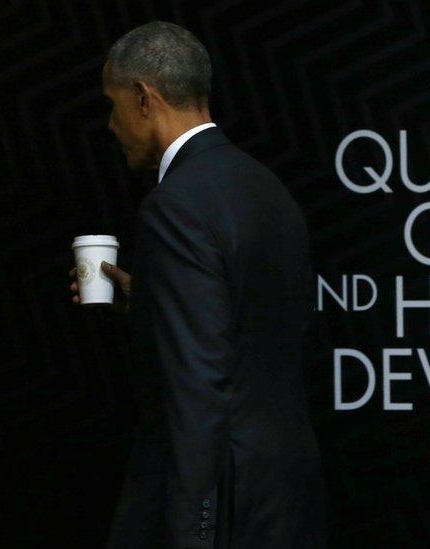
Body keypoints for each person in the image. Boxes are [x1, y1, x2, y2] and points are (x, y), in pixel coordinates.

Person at [69, 21, 325, 548]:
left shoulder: (175, 205)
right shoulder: (267, 187)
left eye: (111, 104)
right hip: (286, 496)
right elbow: (259, 328)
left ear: (144, 98)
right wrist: (155, 303)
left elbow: (198, 391)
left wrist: (192, 531)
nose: (111, 125)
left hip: (221, 507)